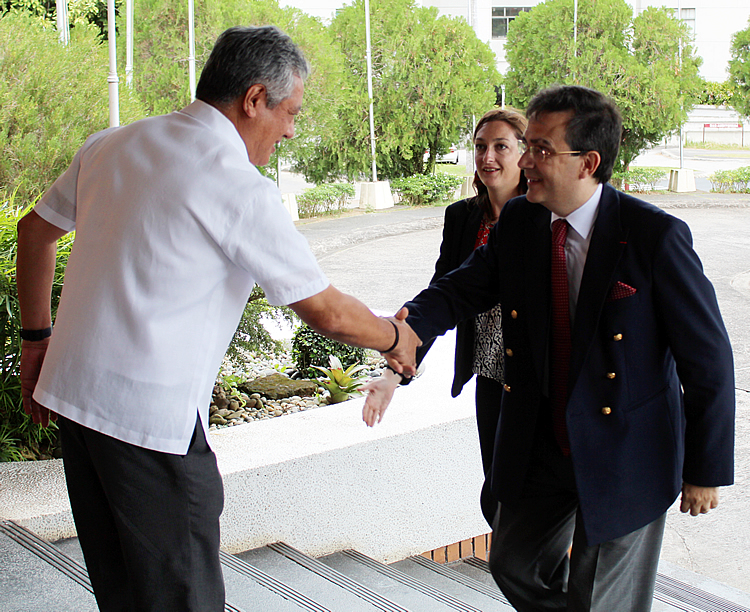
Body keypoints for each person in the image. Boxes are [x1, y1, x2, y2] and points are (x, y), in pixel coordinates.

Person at [16, 25, 419, 612]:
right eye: (289, 113)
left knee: (122, 591)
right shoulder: (237, 186)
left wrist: (35, 341)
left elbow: (34, 232)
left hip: (77, 406)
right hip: (150, 430)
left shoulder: (112, 144)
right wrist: (394, 337)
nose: (289, 130)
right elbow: (326, 311)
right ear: (254, 99)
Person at [368, 85, 735, 611]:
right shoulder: (520, 222)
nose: (528, 162)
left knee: (601, 594)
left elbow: (709, 361)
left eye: (541, 150)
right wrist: (408, 328)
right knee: (513, 563)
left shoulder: (655, 236)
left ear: (588, 162)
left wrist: (706, 468)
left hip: (626, 447)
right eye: (530, 147)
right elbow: (462, 286)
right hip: (543, 439)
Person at [363, 108, 527, 521]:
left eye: (501, 147)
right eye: (480, 147)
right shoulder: (462, 218)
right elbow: (444, 296)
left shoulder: (543, 217)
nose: (488, 157)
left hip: (537, 379)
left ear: (526, 154)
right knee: (497, 495)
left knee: (534, 496)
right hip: (491, 375)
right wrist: (393, 376)